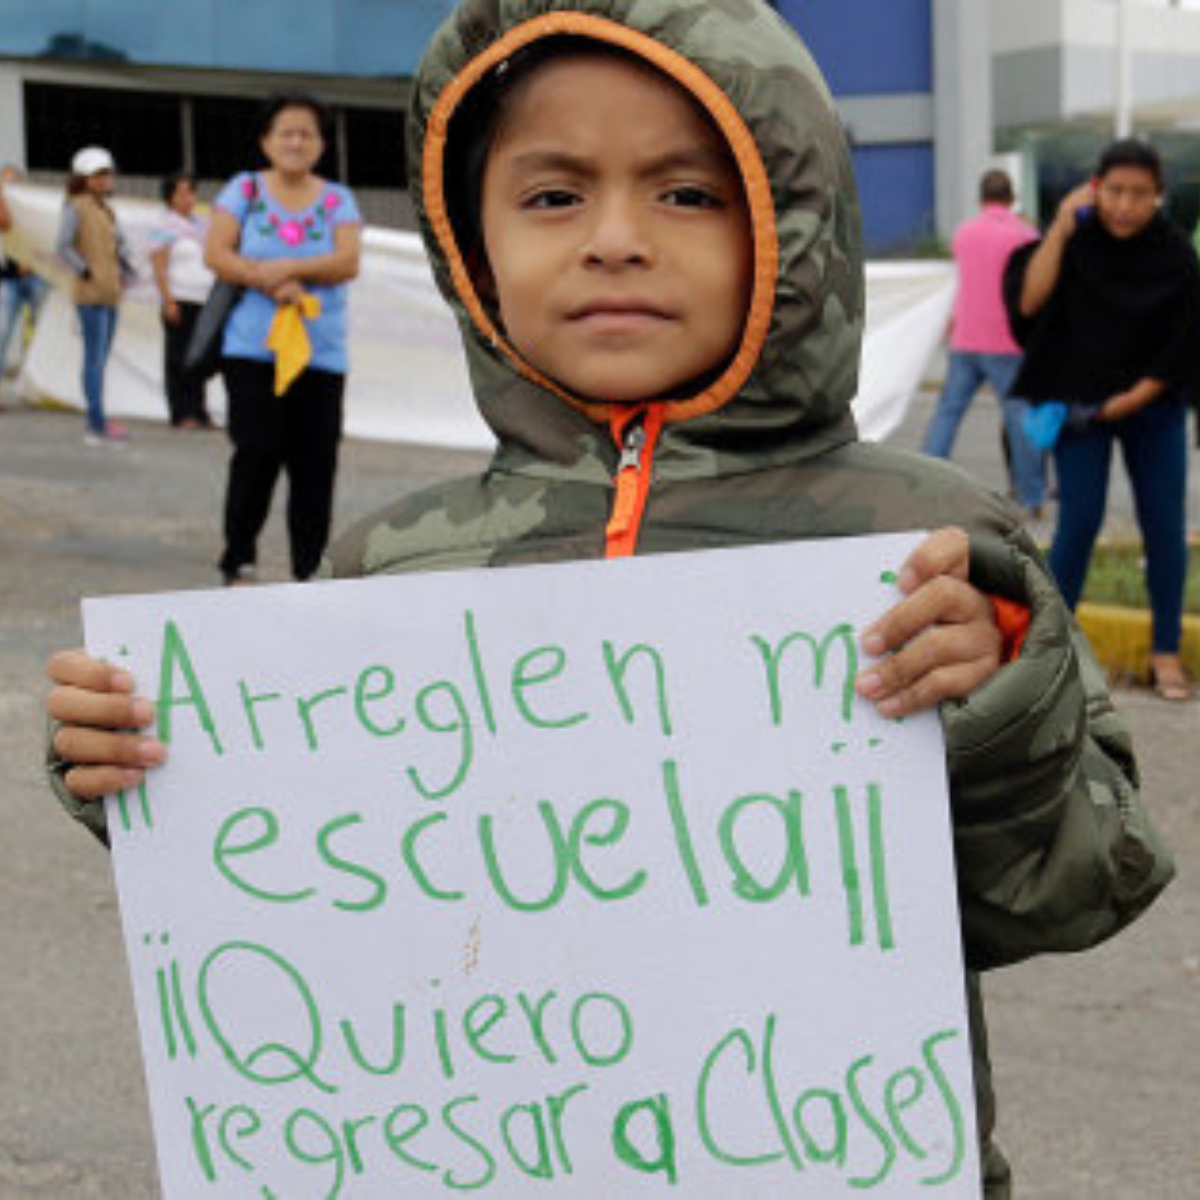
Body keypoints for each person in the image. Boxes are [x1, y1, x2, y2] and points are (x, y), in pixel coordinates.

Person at [43, 5, 1174, 1196]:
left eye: (687, 193)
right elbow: (309, 888)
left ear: (791, 222)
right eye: (552, 196)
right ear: (466, 242)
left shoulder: (930, 553)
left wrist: (997, 702)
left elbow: (1086, 879)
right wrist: (146, 766)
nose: (617, 240)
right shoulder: (391, 564)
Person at [1005, 138, 1200, 702]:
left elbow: (1186, 338)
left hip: (1154, 405)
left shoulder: (1176, 253)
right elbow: (1030, 304)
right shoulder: (1076, 241)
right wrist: (1062, 227)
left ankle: (1166, 654)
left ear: (1158, 197)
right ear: (1095, 188)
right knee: (1078, 523)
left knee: (1164, 529)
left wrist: (1137, 397)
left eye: (1140, 193)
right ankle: (1049, 653)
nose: (1124, 204)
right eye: (1114, 190)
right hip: (1080, 408)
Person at [204, 91, 362, 585]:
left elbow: (347, 261)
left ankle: (309, 572)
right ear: (266, 141)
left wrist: (288, 268)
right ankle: (239, 559)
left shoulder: (338, 199)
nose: (296, 141)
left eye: (307, 133)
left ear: (321, 144)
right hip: (253, 350)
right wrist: (267, 279)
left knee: (316, 465)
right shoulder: (244, 190)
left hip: (321, 354)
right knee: (257, 450)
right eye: (286, 132)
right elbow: (216, 253)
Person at [921, 169, 1046, 517]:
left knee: (947, 413)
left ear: (981, 199)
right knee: (1018, 417)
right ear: (1012, 197)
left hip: (965, 337)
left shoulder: (963, 234)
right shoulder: (1025, 235)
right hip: (1007, 341)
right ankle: (1032, 496)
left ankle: (924, 486)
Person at [55, 146, 134, 446]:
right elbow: (62, 245)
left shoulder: (106, 209)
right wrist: (85, 270)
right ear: (85, 178)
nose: (107, 179)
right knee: (93, 360)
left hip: (111, 293)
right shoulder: (75, 206)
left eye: (108, 173)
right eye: (100, 174)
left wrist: (124, 265)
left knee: (100, 361)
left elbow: (118, 245)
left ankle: (99, 419)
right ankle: (95, 425)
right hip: (90, 295)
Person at [148, 170, 213, 428]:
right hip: (180, 297)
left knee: (201, 356)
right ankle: (182, 411)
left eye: (192, 191)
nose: (189, 197)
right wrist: (168, 300)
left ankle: (199, 409)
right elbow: (158, 265)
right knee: (178, 356)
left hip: (204, 299)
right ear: (170, 197)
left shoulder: (202, 225)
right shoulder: (164, 226)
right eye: (183, 192)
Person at [0, 165, 49, 387]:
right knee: (2, 331)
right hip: (7, 280)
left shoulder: (33, 209)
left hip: (37, 277)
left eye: (13, 183)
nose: (8, 188)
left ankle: (44, 387)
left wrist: (34, 263)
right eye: (4, 183)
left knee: (46, 331)